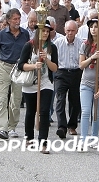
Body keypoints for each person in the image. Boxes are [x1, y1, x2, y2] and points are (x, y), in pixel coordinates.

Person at [18, 19, 59, 154]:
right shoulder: (29, 46)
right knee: (31, 112)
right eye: (43, 31)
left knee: (44, 112)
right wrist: (34, 66)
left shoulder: (52, 48)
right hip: (31, 83)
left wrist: (46, 59)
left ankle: (43, 142)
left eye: (48, 31)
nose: (46, 34)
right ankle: (29, 137)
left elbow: (55, 68)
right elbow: (21, 65)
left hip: (46, 83)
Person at [0, 8, 30, 139]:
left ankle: (12, 127)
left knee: (16, 99)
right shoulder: (1, 35)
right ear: (8, 21)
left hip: (19, 68)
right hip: (3, 66)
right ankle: (2, 128)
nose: (18, 21)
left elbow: (28, 52)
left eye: (19, 19)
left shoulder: (25, 34)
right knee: (2, 98)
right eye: (15, 19)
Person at [78, 18, 99, 151]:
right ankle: (83, 139)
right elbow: (81, 65)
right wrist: (91, 57)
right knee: (86, 111)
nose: (93, 29)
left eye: (96, 27)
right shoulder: (85, 45)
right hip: (86, 82)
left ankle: (94, 137)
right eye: (91, 27)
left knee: (96, 112)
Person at [54, 20, 83, 138]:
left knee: (75, 101)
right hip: (61, 73)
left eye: (72, 31)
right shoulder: (58, 43)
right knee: (60, 100)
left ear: (76, 31)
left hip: (76, 73)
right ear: (65, 31)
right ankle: (62, 126)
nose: (70, 33)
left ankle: (72, 125)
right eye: (68, 30)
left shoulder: (81, 43)